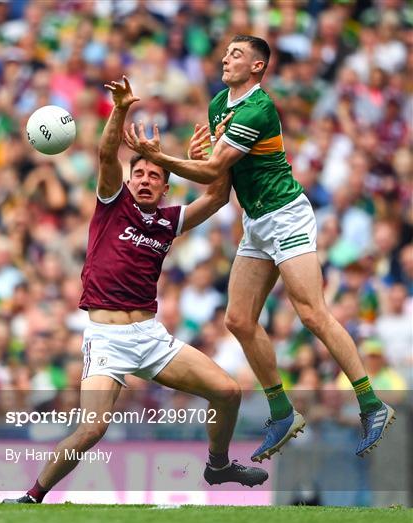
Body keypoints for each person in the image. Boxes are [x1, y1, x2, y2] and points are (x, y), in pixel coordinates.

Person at [123, 35, 395, 461]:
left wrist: (163, 158)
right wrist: (193, 161)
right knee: (238, 319)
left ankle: (371, 404)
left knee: (311, 312)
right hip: (255, 222)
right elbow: (219, 182)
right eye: (226, 52)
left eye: (236, 54)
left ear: (257, 67)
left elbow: (214, 166)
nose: (225, 58)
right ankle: (282, 412)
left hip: (285, 214)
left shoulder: (258, 107)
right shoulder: (218, 105)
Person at [3, 77, 267, 504]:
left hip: (150, 337)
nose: (144, 179)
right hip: (107, 337)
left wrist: (211, 158)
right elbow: (108, 153)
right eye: (138, 173)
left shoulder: (169, 220)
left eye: (154, 176)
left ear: (166, 188)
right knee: (92, 428)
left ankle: (218, 465)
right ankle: (32, 496)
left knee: (228, 390)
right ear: (128, 182)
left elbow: (218, 197)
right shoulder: (112, 203)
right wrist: (121, 108)